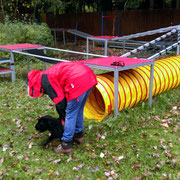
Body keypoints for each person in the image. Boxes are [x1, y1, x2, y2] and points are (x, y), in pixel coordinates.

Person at [26, 61, 97, 155]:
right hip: (88, 75)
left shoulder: (46, 82)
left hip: (77, 80)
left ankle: (66, 145)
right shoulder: (45, 75)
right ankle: (79, 136)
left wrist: (63, 119)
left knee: (70, 114)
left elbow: (61, 103)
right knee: (78, 109)